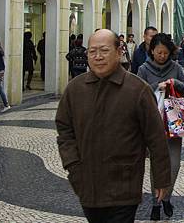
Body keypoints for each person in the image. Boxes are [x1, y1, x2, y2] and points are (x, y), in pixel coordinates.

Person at [55, 29, 172, 223]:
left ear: (119, 52)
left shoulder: (137, 89)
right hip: (87, 183)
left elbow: (156, 138)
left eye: (104, 50)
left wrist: (161, 179)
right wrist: (73, 166)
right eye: (92, 52)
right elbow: (64, 130)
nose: (98, 57)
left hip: (124, 186)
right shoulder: (75, 89)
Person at [137, 33, 184, 220]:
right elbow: (137, 94)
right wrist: (156, 86)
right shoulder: (143, 69)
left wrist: (174, 83)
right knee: (156, 165)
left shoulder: (176, 67)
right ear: (152, 51)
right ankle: (155, 202)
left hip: (174, 122)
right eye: (159, 52)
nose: (162, 56)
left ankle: (167, 197)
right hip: (152, 124)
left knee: (174, 165)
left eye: (165, 53)